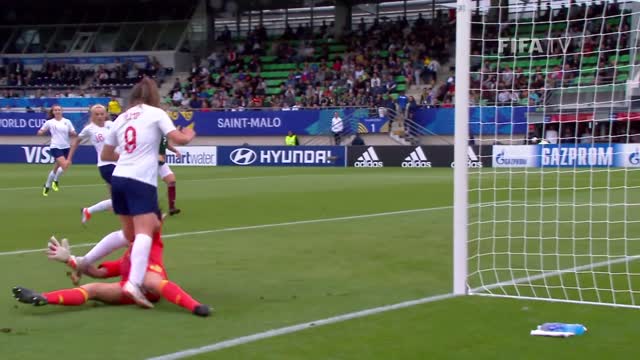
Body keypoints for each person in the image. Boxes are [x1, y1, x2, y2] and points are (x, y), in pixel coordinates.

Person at [100, 77, 195, 308]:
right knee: (144, 233)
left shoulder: (121, 118)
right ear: (154, 96)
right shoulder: (156, 113)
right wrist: (189, 135)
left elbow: (106, 155)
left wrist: (128, 157)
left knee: (128, 233)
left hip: (119, 177)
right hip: (140, 180)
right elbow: (178, 139)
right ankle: (134, 283)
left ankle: (85, 261)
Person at [12, 214, 211, 317]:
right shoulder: (126, 258)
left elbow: (154, 226)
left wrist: (154, 217)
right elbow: (97, 273)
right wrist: (69, 259)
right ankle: (43, 298)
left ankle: (195, 307)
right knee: (93, 288)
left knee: (150, 279)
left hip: (150, 283)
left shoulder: (151, 240)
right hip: (127, 288)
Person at [68, 104, 115, 224]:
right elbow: (76, 142)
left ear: (106, 114)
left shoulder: (111, 125)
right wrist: (69, 158)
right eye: (96, 114)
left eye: (102, 114)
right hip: (106, 165)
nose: (100, 116)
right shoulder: (89, 129)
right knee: (127, 192)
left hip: (119, 162)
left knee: (121, 197)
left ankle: (88, 211)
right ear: (92, 116)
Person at [37, 105, 77, 196]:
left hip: (66, 147)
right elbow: (41, 131)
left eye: (59, 110)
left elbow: (73, 132)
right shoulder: (50, 122)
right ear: (53, 112)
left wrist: (74, 133)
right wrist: (40, 132)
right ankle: (55, 181)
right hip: (55, 146)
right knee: (64, 165)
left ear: (61, 111)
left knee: (56, 168)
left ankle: (47, 185)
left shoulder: (67, 121)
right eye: (56, 110)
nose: (57, 111)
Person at [158, 136, 181, 215]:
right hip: (150, 162)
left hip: (161, 163)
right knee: (148, 185)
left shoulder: (163, 132)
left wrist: (175, 151)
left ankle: (172, 208)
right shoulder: (153, 129)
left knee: (171, 181)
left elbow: (166, 144)